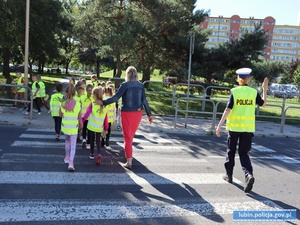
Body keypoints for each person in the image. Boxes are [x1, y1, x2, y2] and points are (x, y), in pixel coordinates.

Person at [216, 68, 268, 193]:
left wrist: (219, 126)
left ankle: (229, 175)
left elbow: (228, 109)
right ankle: (248, 175)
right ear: (248, 79)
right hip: (247, 128)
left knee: (231, 151)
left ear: (238, 79)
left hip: (234, 128)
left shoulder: (235, 91)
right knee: (244, 153)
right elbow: (264, 104)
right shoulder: (253, 92)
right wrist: (264, 89)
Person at [97, 66, 153, 169]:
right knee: (130, 136)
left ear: (127, 74)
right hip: (138, 113)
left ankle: (129, 161)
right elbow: (144, 101)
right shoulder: (140, 85)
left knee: (127, 137)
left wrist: (103, 102)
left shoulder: (125, 85)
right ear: (136, 74)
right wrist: (149, 114)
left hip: (127, 113)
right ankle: (128, 154)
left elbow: (115, 98)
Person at [82, 87, 108, 165]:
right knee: (98, 141)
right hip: (99, 127)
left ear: (95, 95)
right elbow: (106, 118)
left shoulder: (92, 104)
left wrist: (82, 121)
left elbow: (87, 114)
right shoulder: (104, 106)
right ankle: (99, 153)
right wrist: (106, 128)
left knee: (92, 141)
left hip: (91, 126)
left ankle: (92, 154)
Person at [60, 84, 83, 171]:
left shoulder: (63, 104)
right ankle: (71, 163)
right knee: (73, 145)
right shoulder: (77, 105)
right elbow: (79, 117)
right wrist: (81, 124)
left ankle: (66, 156)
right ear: (74, 94)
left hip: (65, 127)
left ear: (66, 93)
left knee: (67, 142)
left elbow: (60, 115)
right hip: (74, 128)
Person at [80, 84, 93, 148]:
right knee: (89, 130)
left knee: (84, 129)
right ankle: (88, 143)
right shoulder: (93, 98)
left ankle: (84, 139)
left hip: (84, 116)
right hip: (90, 117)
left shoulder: (82, 97)